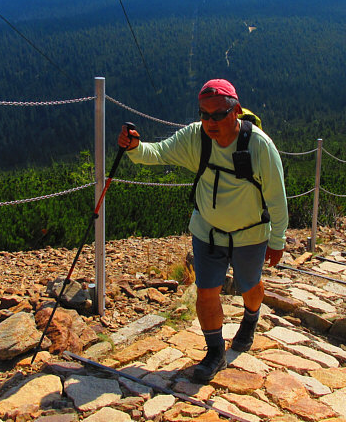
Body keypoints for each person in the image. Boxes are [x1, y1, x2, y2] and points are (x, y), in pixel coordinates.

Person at [117, 79, 288, 383]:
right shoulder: (197, 137)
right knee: (206, 291)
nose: (209, 122)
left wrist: (278, 240)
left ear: (235, 111)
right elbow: (157, 153)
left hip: (251, 234)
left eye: (217, 115)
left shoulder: (260, 145)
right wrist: (134, 147)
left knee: (249, 286)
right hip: (208, 231)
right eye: (204, 115)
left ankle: (250, 320)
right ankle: (215, 353)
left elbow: (277, 198)